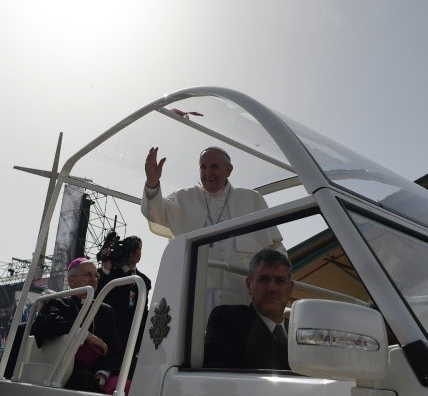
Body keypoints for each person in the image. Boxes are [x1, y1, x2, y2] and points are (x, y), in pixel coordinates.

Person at [142, 146, 284, 311]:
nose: (207, 173)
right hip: (194, 297)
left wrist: (276, 280)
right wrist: (152, 183)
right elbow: (154, 213)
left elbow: (275, 246)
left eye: (214, 166)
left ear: (228, 170)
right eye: (203, 167)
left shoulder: (252, 199)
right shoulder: (184, 197)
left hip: (242, 297)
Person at [30, 257, 122, 393]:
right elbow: (45, 324)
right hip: (67, 373)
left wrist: (102, 375)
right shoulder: (58, 301)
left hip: (98, 373)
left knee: (126, 384)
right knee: (83, 379)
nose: (94, 279)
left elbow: (115, 349)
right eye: (88, 274)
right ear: (71, 280)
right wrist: (85, 335)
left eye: (96, 275)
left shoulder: (105, 311)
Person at [203, 248, 293, 370]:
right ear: (249, 285)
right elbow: (218, 376)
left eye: (280, 280)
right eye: (264, 280)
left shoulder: (299, 331)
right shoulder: (228, 321)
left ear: (290, 288)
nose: (272, 288)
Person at [97, 235, 152, 358]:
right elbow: (98, 294)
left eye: (139, 249)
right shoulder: (109, 274)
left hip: (133, 338)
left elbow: (143, 311)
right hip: (110, 334)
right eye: (133, 249)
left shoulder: (145, 281)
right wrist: (106, 267)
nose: (136, 253)